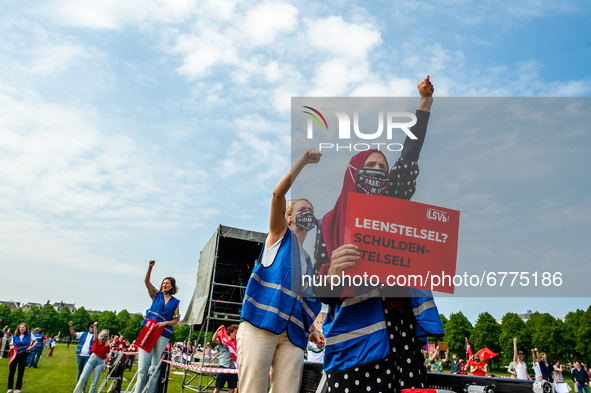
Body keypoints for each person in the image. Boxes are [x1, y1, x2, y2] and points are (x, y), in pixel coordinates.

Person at [312, 75, 443, 392]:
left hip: (401, 329)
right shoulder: (329, 223)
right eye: (370, 165)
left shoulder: (395, 209)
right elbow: (321, 290)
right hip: (357, 334)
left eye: (383, 168)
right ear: (354, 172)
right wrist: (333, 271)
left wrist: (424, 104)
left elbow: (409, 154)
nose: (378, 171)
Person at [237, 148, 324, 393]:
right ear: (288, 217)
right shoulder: (278, 237)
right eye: (302, 209)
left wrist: (313, 330)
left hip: (293, 336)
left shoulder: (309, 261)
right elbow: (278, 194)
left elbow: (298, 301)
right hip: (260, 326)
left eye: (311, 210)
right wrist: (304, 161)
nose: (308, 212)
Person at [134, 260, 180, 393]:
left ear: (172, 286)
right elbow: (146, 281)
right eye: (163, 283)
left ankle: (151, 391)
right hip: (149, 330)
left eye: (167, 283)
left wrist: (165, 323)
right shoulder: (156, 295)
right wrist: (150, 267)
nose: (164, 285)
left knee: (155, 367)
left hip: (163, 333)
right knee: (143, 366)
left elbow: (176, 320)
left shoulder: (175, 302)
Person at [73, 322, 110, 393]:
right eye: (103, 334)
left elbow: (106, 357)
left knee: (94, 382)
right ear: (100, 334)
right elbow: (95, 334)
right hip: (92, 359)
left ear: (107, 337)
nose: (104, 336)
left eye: (106, 335)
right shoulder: (96, 340)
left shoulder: (107, 345)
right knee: (83, 378)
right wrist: (95, 327)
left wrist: (105, 366)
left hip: (100, 362)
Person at [7, 322, 37, 393]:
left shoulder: (29, 335)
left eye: (23, 327)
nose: (22, 328)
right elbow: (11, 345)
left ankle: (17, 388)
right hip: (15, 355)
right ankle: (10, 388)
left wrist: (31, 347)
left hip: (23, 354)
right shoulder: (15, 336)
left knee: (20, 372)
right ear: (19, 328)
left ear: (26, 328)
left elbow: (35, 341)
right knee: (11, 372)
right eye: (21, 327)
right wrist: (12, 347)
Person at [69, 320, 97, 389]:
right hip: (80, 356)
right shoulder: (83, 334)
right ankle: (78, 388)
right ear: (88, 327)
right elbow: (73, 334)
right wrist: (71, 326)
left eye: (94, 327)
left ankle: (82, 388)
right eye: (91, 327)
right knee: (79, 372)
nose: (92, 328)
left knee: (85, 373)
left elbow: (97, 340)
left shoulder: (96, 335)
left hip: (89, 356)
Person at [213, 324, 239, 393]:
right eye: (235, 333)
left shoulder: (237, 342)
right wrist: (217, 330)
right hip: (223, 366)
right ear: (230, 332)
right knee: (218, 388)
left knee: (231, 389)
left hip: (233, 367)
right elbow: (214, 340)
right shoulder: (224, 340)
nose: (236, 335)